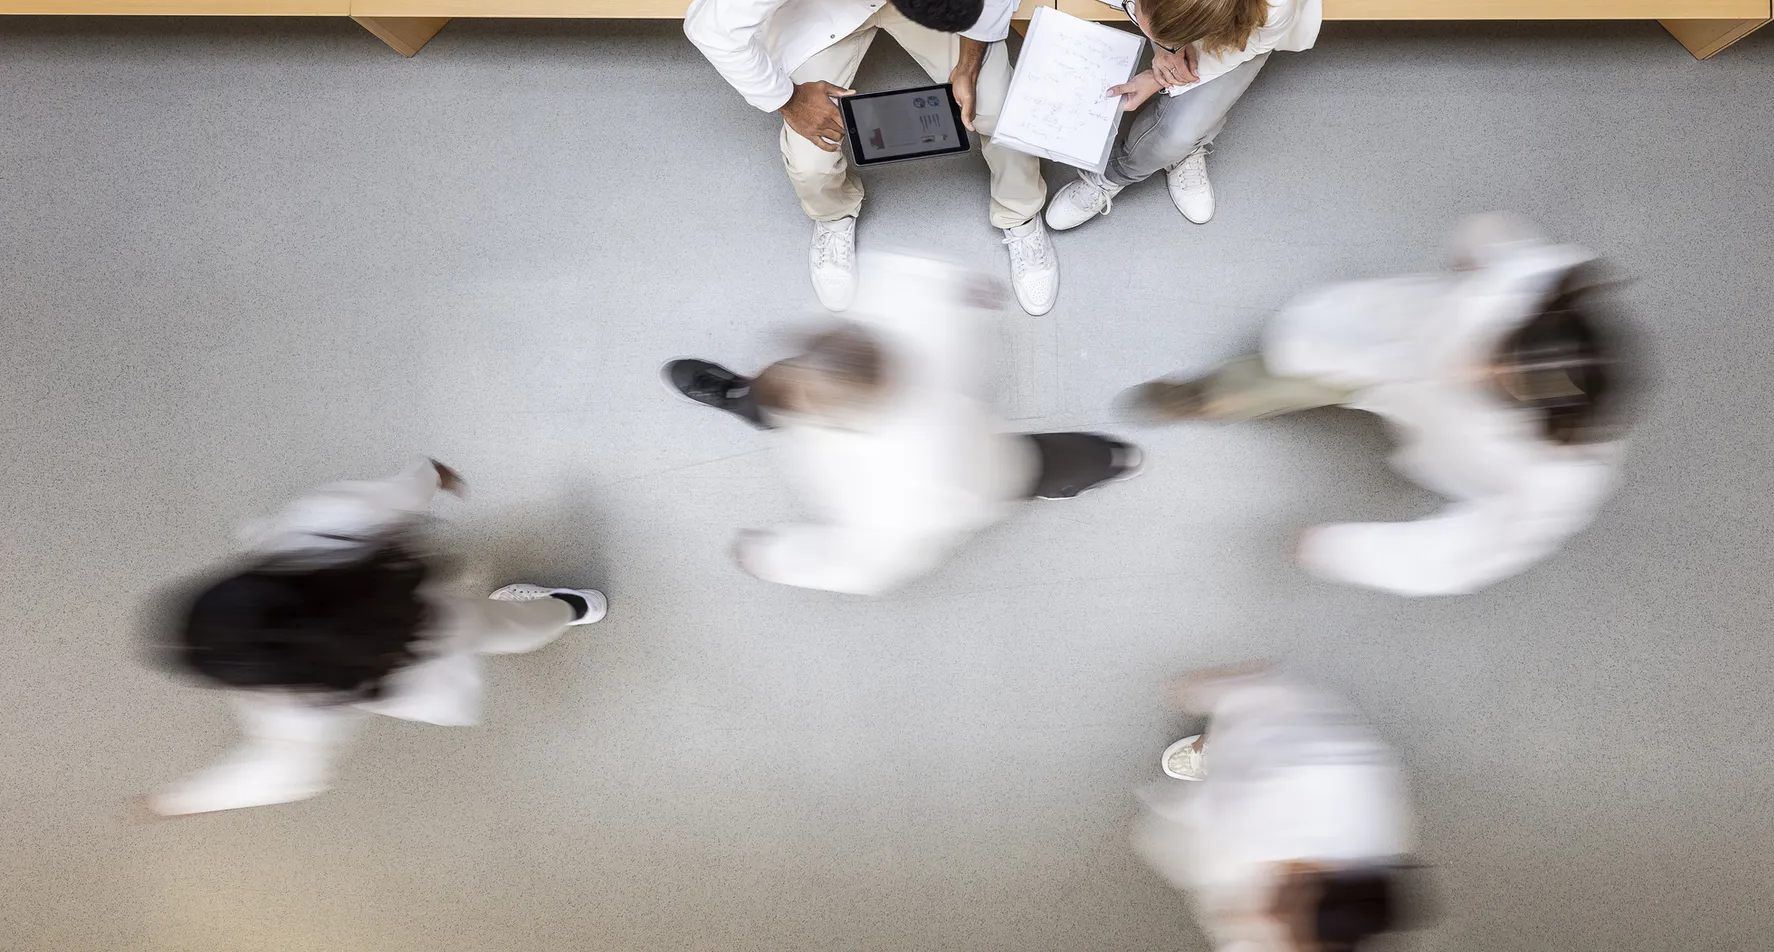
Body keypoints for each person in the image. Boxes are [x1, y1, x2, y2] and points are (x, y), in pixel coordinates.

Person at [1127, 214, 1635, 596]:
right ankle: (1207, 397)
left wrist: (1345, 550)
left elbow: (1467, 553)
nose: (1483, 372)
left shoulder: (1557, 479)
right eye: (1503, 354)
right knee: (1280, 373)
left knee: (1368, 397)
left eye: (1505, 386)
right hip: (1379, 346)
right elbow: (1491, 236)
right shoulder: (1535, 281)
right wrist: (1471, 253)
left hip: (1434, 427)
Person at [686, 0, 1059, 316]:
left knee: (1002, 106)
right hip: (824, 0)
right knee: (812, 154)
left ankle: (1020, 212)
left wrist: (968, 64)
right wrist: (787, 99)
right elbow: (710, 25)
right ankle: (833, 215)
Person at [142, 458, 606, 816]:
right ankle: (572, 605)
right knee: (502, 623)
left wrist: (180, 800)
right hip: (402, 598)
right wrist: (428, 475)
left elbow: (280, 772)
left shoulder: (298, 701)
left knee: (507, 632)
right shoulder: (307, 534)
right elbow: (380, 501)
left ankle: (571, 610)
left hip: (408, 653)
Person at [662, 251, 1140, 594]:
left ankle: (1100, 460)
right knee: (768, 397)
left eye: (804, 386)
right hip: (867, 419)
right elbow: (907, 286)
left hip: (981, 463)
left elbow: (866, 561)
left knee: (1028, 466)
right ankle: (741, 396)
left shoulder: (904, 490)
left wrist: (780, 556)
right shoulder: (892, 338)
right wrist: (955, 289)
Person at [1047, 0, 1321, 232]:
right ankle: (1176, 146)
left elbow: (1247, 45)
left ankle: (1122, 175)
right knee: (1186, 117)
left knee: (1182, 130)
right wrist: (1163, 51)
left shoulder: (1274, 7)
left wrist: (1160, 78)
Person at [1135, 667, 1422, 952]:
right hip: (1270, 758)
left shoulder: (1363, 843)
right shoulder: (1319, 776)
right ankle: (1219, 752)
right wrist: (1208, 690)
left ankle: (1222, 755)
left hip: (1263, 782)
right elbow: (1267, 693)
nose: (1272, 917)